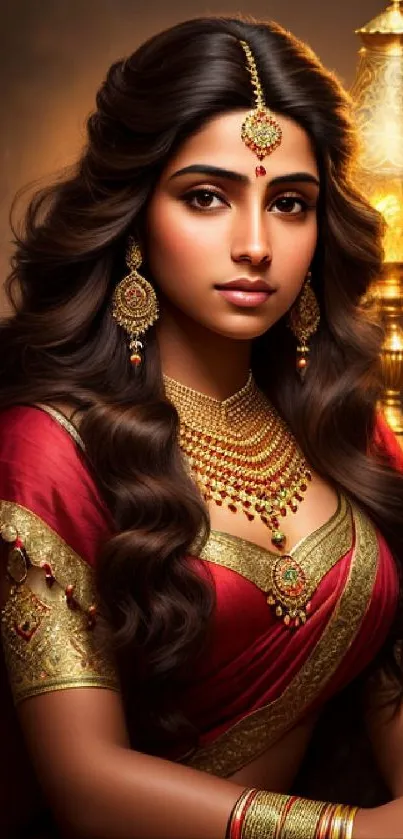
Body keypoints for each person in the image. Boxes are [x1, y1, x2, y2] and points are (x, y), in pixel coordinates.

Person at [1, 13, 403, 839]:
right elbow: (87, 784)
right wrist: (354, 835)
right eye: (207, 197)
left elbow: (389, 658)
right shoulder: (50, 448)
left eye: (289, 203)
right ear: (138, 211)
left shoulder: (340, 422)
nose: (255, 244)